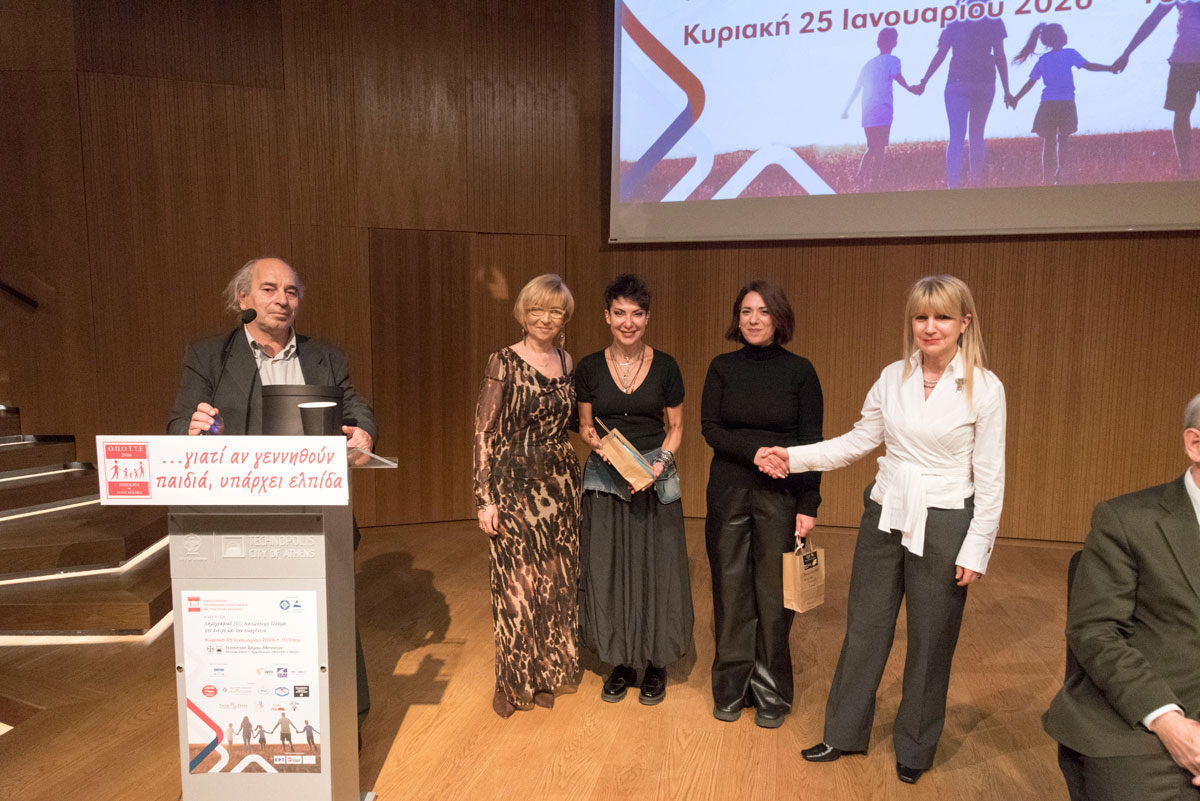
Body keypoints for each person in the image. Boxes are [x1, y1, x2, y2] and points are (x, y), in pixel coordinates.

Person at [764, 274, 1005, 784]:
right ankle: (843, 732)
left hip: (945, 519)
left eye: (942, 317)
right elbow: (858, 441)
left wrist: (977, 548)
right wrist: (794, 456)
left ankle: (915, 746)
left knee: (931, 638)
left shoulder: (985, 387)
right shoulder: (893, 376)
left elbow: (990, 476)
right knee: (866, 626)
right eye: (921, 317)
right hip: (885, 511)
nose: (930, 327)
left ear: (965, 323)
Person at [166, 257, 376, 727]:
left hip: (314, 514)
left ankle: (342, 721)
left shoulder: (324, 356)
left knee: (327, 617)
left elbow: (354, 405)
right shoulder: (210, 355)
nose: (282, 299)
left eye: (291, 291)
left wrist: (362, 431)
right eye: (269, 289)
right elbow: (179, 421)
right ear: (242, 298)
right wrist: (191, 428)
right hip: (237, 520)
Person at [1043, 393, 1200, 801]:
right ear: (1195, 444)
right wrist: (1168, 722)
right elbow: (1095, 632)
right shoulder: (1127, 520)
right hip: (1150, 716)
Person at [700, 280, 823, 729]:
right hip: (728, 490)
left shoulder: (801, 371)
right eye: (746, 311)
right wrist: (755, 453)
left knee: (774, 596)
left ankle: (770, 690)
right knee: (730, 591)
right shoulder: (721, 367)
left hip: (781, 496)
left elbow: (811, 442)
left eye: (764, 311)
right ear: (737, 318)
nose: (753, 320)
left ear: (779, 318)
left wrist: (809, 503)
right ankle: (731, 687)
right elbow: (711, 428)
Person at [576, 274, 693, 706]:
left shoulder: (666, 366)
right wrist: (601, 447)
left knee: (657, 570)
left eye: (637, 314)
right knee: (609, 569)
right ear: (606, 316)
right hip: (606, 478)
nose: (628, 322)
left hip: (654, 476)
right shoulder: (589, 367)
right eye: (620, 313)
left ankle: (656, 663)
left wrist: (658, 465)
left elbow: (676, 427)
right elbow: (585, 425)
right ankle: (621, 662)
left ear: (648, 318)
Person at [474, 273, 582, 718]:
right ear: (523, 311)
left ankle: (543, 676)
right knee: (515, 587)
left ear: (565, 317)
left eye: (555, 311)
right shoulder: (502, 361)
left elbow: (572, 421)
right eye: (537, 309)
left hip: (561, 485)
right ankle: (511, 682)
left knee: (554, 585)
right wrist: (484, 497)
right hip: (513, 485)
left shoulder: (567, 360)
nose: (545, 318)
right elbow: (483, 431)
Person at [914, 1, 1014, 188]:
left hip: (958, 81)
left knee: (956, 137)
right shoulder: (994, 20)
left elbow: (941, 53)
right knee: (977, 134)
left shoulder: (955, 20)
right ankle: (976, 184)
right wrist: (1007, 90)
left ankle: (953, 186)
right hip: (985, 81)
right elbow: (1000, 56)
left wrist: (924, 80)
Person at [1008, 22, 1117, 185]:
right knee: (1063, 139)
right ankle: (1061, 174)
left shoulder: (1044, 60)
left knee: (1049, 142)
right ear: (1060, 37)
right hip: (1065, 103)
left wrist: (1016, 98)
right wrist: (1109, 68)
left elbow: (1030, 83)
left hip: (1048, 104)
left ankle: (1046, 178)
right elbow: (1089, 66)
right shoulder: (1070, 54)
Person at [1113, 0, 1200, 179]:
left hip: (1184, 60)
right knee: (1181, 113)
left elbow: (1153, 20)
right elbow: (1153, 20)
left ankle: (1185, 171)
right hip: (1184, 61)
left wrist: (1127, 53)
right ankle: (1185, 171)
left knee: (1181, 114)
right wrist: (1127, 52)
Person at [841, 27, 917, 192]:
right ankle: (874, 183)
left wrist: (846, 109)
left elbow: (856, 89)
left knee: (872, 147)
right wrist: (910, 88)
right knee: (879, 148)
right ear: (894, 43)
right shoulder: (893, 60)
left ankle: (860, 176)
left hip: (867, 112)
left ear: (878, 43)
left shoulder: (867, 65)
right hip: (883, 111)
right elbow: (898, 77)